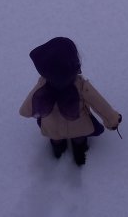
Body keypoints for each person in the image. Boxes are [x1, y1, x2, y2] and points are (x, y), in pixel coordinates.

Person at [19, 37, 122, 166]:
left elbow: (26, 108)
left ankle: (58, 151)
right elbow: (100, 104)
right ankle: (80, 154)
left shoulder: (43, 85)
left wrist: (27, 111)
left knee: (56, 139)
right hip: (79, 125)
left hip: (53, 127)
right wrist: (112, 120)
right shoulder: (81, 85)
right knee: (79, 139)